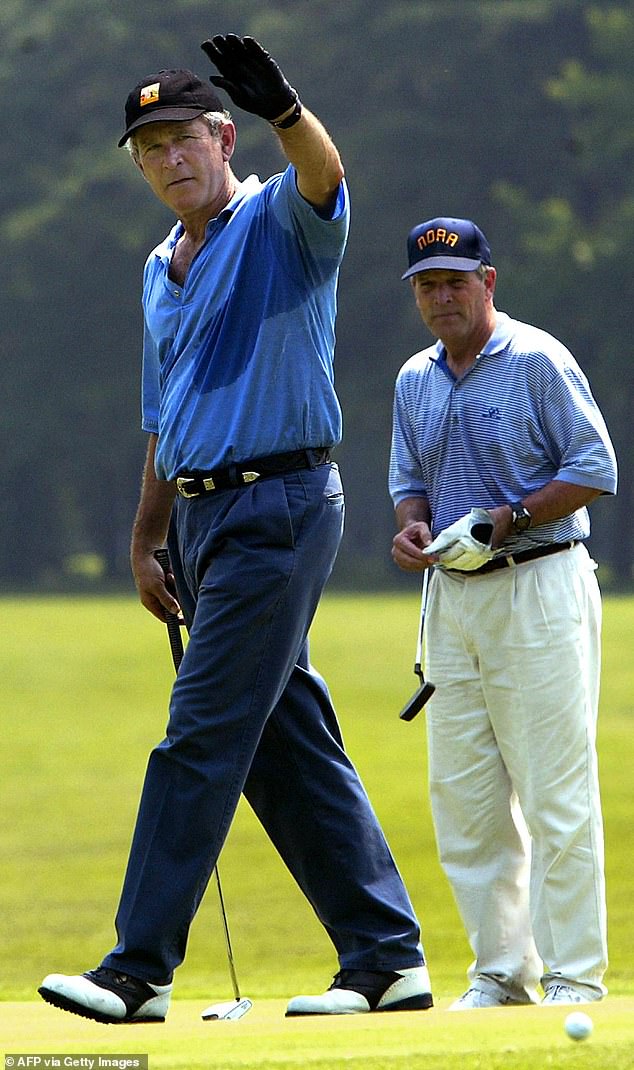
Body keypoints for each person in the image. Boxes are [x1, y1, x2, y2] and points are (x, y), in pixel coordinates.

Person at [38, 35, 432, 1024]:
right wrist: (146, 537)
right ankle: (386, 956)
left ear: (223, 138)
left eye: (183, 138)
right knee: (282, 742)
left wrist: (286, 110)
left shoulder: (278, 221)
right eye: (149, 149)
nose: (168, 158)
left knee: (200, 734)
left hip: (280, 503)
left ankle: (137, 971)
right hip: (202, 517)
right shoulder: (157, 267)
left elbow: (325, 177)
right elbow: (163, 415)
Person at [389, 216, 617, 1010]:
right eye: (427, 286)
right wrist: (413, 526)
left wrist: (509, 517)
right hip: (452, 599)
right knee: (467, 799)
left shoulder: (537, 359)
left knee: (555, 792)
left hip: (538, 582)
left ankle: (574, 976)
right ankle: (499, 971)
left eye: (455, 282)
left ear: (487, 282)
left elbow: (595, 466)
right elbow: (409, 480)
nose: (441, 298)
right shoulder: (414, 378)